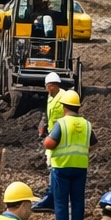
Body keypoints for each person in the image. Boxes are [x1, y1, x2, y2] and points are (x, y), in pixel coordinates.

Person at [42, 89, 95, 220]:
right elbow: (92, 144)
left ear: (64, 106)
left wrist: (46, 138)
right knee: (78, 199)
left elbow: (49, 143)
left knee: (61, 200)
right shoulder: (86, 124)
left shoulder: (62, 123)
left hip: (62, 167)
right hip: (80, 167)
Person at [33, 72, 65, 211]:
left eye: (47, 86)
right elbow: (49, 115)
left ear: (51, 86)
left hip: (60, 136)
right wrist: (44, 125)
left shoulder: (64, 97)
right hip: (53, 133)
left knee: (55, 167)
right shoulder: (51, 97)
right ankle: (52, 195)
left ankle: (53, 198)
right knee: (51, 165)